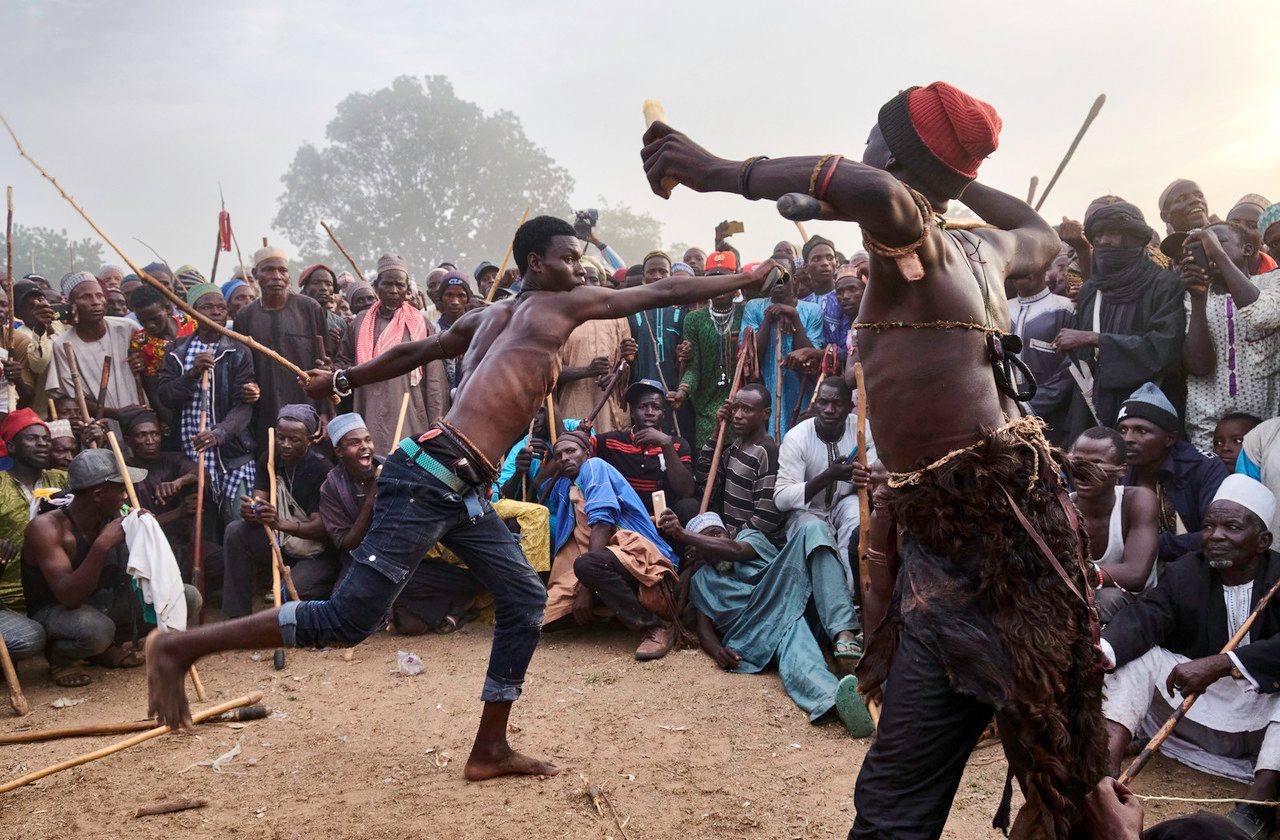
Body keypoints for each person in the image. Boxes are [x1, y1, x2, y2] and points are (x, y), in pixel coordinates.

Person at [145, 213, 778, 783]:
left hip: (458, 483)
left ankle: (490, 749)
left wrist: (343, 377)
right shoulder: (556, 307)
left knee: (525, 596)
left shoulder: (488, 315)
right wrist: (747, 278)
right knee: (346, 622)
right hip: (432, 477)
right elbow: (661, 290)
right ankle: (182, 646)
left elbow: (419, 349)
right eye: (566, 257)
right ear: (536, 264)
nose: (578, 268)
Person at [638, 79, 1107, 835]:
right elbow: (1037, 228)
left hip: (979, 560)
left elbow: (865, 185)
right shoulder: (980, 246)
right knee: (1056, 784)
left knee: (915, 807)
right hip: (1007, 539)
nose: (862, 150)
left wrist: (716, 169)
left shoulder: (914, 241)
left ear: (892, 158)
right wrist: (949, 186)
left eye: (873, 140)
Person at [1101, 475, 1280, 839]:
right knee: (1139, 658)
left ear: (1263, 541)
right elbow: (1146, 616)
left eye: (1231, 527)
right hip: (1196, 708)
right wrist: (1101, 652)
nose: (1215, 536)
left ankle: (1259, 805)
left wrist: (1221, 663)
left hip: (1261, 717)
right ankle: (1102, 777)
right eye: (1210, 525)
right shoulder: (1186, 571)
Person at [657, 508, 870, 733]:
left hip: (794, 599)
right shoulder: (702, 580)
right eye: (705, 538)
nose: (713, 541)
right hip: (760, 633)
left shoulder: (749, 538)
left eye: (717, 534)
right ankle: (834, 700)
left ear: (727, 534)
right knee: (791, 633)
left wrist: (682, 534)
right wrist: (719, 652)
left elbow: (736, 550)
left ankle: (843, 633)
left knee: (814, 528)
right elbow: (704, 629)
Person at [24, 449, 200, 687]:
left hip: (106, 603)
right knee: (97, 630)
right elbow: (69, 597)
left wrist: (144, 530)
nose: (126, 496)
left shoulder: (113, 515)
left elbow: (145, 572)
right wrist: (101, 545)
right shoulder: (46, 529)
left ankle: (115, 647)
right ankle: (62, 658)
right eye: (120, 489)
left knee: (186, 596)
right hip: (59, 612)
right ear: (98, 494)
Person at [318, 412, 483, 635]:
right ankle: (450, 610)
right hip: (360, 563)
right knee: (351, 614)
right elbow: (346, 543)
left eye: (367, 440)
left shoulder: (394, 465)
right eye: (354, 443)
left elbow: (437, 482)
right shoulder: (331, 487)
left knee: (414, 620)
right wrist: (372, 498)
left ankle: (459, 606)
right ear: (339, 451)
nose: (365, 447)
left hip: (405, 559)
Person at [541, 430, 679, 660]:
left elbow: (603, 523)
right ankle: (609, 610)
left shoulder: (594, 467)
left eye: (571, 451)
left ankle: (654, 628)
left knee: (587, 566)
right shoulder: (568, 486)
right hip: (611, 560)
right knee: (551, 620)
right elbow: (540, 488)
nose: (564, 458)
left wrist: (586, 586)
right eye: (558, 455)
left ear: (586, 452)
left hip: (641, 558)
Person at [1053, 201, 1186, 439]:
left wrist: (1095, 339)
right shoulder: (1091, 290)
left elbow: (1164, 347)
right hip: (1094, 408)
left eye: (1113, 233)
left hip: (1150, 408)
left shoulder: (1164, 284)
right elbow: (1083, 363)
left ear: (1134, 237)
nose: (1104, 241)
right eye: (1099, 234)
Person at [155, 284, 259, 525]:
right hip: (191, 456)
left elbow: (244, 406)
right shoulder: (176, 351)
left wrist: (218, 433)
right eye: (207, 307)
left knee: (238, 523)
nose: (216, 313)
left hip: (232, 455)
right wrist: (191, 374)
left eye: (221, 308)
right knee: (202, 525)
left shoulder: (238, 350)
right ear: (192, 313)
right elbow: (165, 396)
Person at [220, 405, 337, 618]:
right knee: (236, 531)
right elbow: (259, 500)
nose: (285, 445)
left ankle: (328, 596)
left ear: (309, 440)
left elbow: (321, 528)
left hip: (315, 555)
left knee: (289, 592)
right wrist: (253, 510)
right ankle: (238, 618)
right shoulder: (270, 458)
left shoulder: (321, 469)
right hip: (282, 543)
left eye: (294, 440)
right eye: (281, 437)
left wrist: (279, 523)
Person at [1181, 224, 1280, 450]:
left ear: (1247, 249)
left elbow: (1263, 315)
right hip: (1208, 431)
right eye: (1203, 247)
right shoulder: (1191, 297)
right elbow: (1199, 367)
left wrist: (1218, 254)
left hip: (1267, 430)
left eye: (1218, 241)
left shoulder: (1272, 283)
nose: (1209, 250)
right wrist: (1198, 299)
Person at [335, 254, 447, 453]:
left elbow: (434, 378)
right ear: (377, 287)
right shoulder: (360, 322)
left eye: (399, 285)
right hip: (368, 406)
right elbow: (343, 364)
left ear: (407, 288)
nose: (394, 291)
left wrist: (436, 420)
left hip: (409, 408)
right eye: (388, 284)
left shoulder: (420, 324)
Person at [775, 377, 875, 594]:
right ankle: (832, 600)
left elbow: (875, 475)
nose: (829, 410)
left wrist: (865, 480)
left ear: (850, 407)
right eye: (823, 403)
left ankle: (852, 595)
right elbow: (781, 498)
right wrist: (828, 475)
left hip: (843, 502)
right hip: (807, 511)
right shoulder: (796, 438)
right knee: (816, 530)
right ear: (815, 404)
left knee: (856, 514)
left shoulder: (861, 429)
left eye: (837, 404)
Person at [1119, 383, 1229, 565]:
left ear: (1169, 438)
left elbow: (1217, 534)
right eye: (1123, 429)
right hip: (1127, 567)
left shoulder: (1204, 467)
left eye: (1141, 430)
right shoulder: (1114, 465)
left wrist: (1147, 545)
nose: (1128, 439)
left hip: (1196, 567)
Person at [230, 248, 330, 443]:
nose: (276, 276)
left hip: (308, 407)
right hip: (265, 410)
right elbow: (242, 369)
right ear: (255, 274)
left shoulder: (309, 308)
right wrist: (248, 388)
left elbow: (325, 364)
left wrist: (325, 412)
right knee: (270, 463)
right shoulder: (245, 317)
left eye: (282, 270)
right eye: (268, 270)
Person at [1069, 426, 1159, 621]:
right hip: (1078, 597)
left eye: (1096, 463)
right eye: (1078, 463)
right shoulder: (1062, 506)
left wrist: (1076, 575)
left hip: (1139, 608)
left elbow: (1136, 575)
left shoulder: (1138, 501)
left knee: (1104, 599)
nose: (1084, 472)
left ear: (1121, 471)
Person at [0, 410, 65, 662]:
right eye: (32, 439)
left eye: (46, 439)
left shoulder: (62, 479)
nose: (41, 443)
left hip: (52, 594)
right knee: (29, 638)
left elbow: (104, 492)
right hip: (6, 598)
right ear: (12, 447)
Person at [47, 271, 145, 425]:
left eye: (99, 295)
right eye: (85, 297)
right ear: (71, 304)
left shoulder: (126, 329)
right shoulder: (63, 346)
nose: (96, 302)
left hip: (141, 420)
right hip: (101, 424)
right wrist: (116, 414)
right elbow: (75, 398)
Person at [695, 384, 785, 546]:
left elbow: (765, 520)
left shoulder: (766, 452)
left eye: (746, 410)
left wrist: (727, 539)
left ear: (766, 414)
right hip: (733, 540)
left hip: (753, 545)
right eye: (735, 408)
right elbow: (705, 477)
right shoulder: (737, 446)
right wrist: (717, 430)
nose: (737, 415)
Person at [741, 265, 822, 439]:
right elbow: (751, 355)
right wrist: (769, 318)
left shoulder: (812, 310)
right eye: (772, 278)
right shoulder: (754, 307)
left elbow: (811, 355)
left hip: (801, 390)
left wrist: (794, 316)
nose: (778, 283)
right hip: (766, 389)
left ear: (794, 279)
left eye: (783, 277)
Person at [675, 249, 744, 450]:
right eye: (712, 279)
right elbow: (693, 369)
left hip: (741, 407)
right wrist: (682, 392)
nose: (719, 285)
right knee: (707, 463)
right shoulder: (694, 319)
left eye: (724, 279)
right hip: (705, 409)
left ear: (736, 285)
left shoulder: (746, 312)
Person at [554, 255, 631, 434]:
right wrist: (587, 371)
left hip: (612, 413)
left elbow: (626, 362)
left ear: (601, 284)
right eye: (582, 279)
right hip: (573, 412)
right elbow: (547, 373)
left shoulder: (618, 315)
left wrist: (615, 376)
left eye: (594, 279)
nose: (587, 283)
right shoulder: (559, 318)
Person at [596, 379, 695, 515]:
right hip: (625, 519)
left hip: (666, 522)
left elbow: (686, 492)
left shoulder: (677, 445)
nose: (649, 412)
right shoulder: (611, 442)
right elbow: (576, 447)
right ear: (632, 412)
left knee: (690, 506)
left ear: (663, 414)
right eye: (643, 407)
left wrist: (666, 445)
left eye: (656, 407)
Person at [1007, 261, 1075, 444]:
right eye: (1021, 265)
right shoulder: (1002, 308)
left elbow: (1071, 368)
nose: (1026, 271)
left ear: (1045, 267)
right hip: (1004, 413)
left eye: (1033, 264)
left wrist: (1031, 406)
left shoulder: (1066, 308)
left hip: (1051, 416)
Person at [628, 251, 685, 434]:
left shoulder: (681, 315)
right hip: (640, 397)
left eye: (663, 271)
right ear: (643, 277)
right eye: (651, 271)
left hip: (672, 396)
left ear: (670, 276)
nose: (657, 276)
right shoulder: (631, 313)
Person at [127, 284, 196, 414]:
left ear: (168, 309)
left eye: (155, 318)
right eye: (143, 321)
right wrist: (170, 420)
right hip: (170, 405)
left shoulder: (189, 323)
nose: (150, 325)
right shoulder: (141, 342)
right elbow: (153, 390)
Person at [10, 280, 68, 419]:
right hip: (42, 414)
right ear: (18, 314)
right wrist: (40, 329)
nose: (39, 306)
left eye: (41, 300)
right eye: (30, 306)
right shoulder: (21, 337)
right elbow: (39, 364)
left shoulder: (60, 323)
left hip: (71, 411)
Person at [434, 271, 473, 399]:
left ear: (468, 299)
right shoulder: (432, 329)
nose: (455, 301)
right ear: (440, 297)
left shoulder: (477, 329)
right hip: (440, 398)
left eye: (461, 295)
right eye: (449, 295)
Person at [298, 264, 346, 359]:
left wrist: (338, 345)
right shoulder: (293, 318)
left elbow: (346, 360)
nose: (323, 288)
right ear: (305, 288)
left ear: (332, 291)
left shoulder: (339, 323)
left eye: (328, 284)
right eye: (316, 283)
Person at [801, 235, 838, 301]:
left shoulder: (844, 299)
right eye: (816, 259)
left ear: (837, 263)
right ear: (805, 267)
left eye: (830, 258)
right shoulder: (802, 306)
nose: (825, 263)